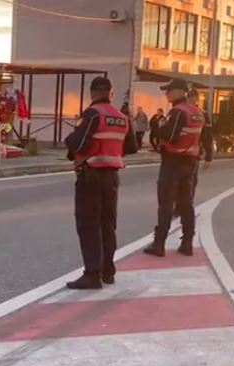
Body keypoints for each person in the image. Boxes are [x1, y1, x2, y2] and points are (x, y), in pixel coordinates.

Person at [64, 77, 138, 289]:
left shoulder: (92, 114)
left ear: (92, 93)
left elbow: (77, 142)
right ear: (111, 93)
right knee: (108, 224)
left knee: (89, 225)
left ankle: (92, 274)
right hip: (112, 176)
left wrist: (70, 141)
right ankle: (108, 271)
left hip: (91, 175)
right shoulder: (122, 117)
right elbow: (131, 147)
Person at [143, 78, 213, 258]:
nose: (167, 94)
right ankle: (187, 243)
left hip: (173, 162)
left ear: (180, 92)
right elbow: (204, 137)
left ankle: (159, 244)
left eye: (170, 90)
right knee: (186, 204)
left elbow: (170, 136)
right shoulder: (198, 113)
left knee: (166, 204)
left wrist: (159, 127)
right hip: (190, 163)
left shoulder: (178, 112)